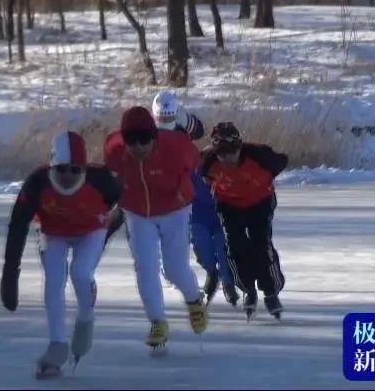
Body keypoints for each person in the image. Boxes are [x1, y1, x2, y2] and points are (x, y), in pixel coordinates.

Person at [0, 131, 120, 376]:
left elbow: (125, 204)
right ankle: (57, 345)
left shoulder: (101, 180)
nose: (68, 176)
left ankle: (85, 319)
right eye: (62, 169)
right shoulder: (37, 183)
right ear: (52, 166)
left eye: (76, 170)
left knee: (80, 273)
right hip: (52, 233)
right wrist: (10, 273)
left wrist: (106, 231)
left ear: (84, 169)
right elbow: (18, 225)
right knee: (54, 280)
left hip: (91, 232)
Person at [103, 106, 207, 350]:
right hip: (138, 213)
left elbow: (195, 162)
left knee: (174, 269)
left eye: (144, 140)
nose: (138, 147)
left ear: (155, 136)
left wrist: (180, 186)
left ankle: (194, 300)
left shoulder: (177, 146)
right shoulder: (114, 149)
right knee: (146, 268)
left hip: (174, 210)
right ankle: (158, 322)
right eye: (131, 141)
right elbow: (110, 179)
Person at [199, 122, 288, 321]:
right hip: (229, 204)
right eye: (222, 154)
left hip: (261, 202)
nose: (228, 158)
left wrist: (267, 179)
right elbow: (195, 171)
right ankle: (248, 288)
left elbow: (282, 160)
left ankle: (271, 291)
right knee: (233, 247)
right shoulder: (207, 161)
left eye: (232, 152)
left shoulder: (259, 155)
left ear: (240, 147)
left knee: (260, 243)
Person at [191, 169, 240, 307]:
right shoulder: (193, 174)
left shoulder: (223, 171)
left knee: (223, 251)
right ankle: (212, 273)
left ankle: (227, 282)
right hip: (198, 218)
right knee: (203, 251)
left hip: (221, 218)